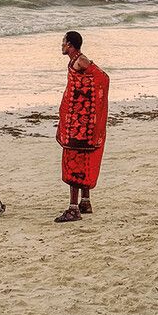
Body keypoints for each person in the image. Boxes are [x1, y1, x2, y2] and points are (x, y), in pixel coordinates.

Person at [55, 31, 109, 222]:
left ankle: (73, 208)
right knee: (82, 160)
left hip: (80, 124)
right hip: (79, 122)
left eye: (63, 42)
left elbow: (102, 78)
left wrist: (86, 105)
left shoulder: (81, 61)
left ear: (69, 45)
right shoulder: (75, 61)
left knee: (73, 163)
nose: (61, 45)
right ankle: (85, 202)